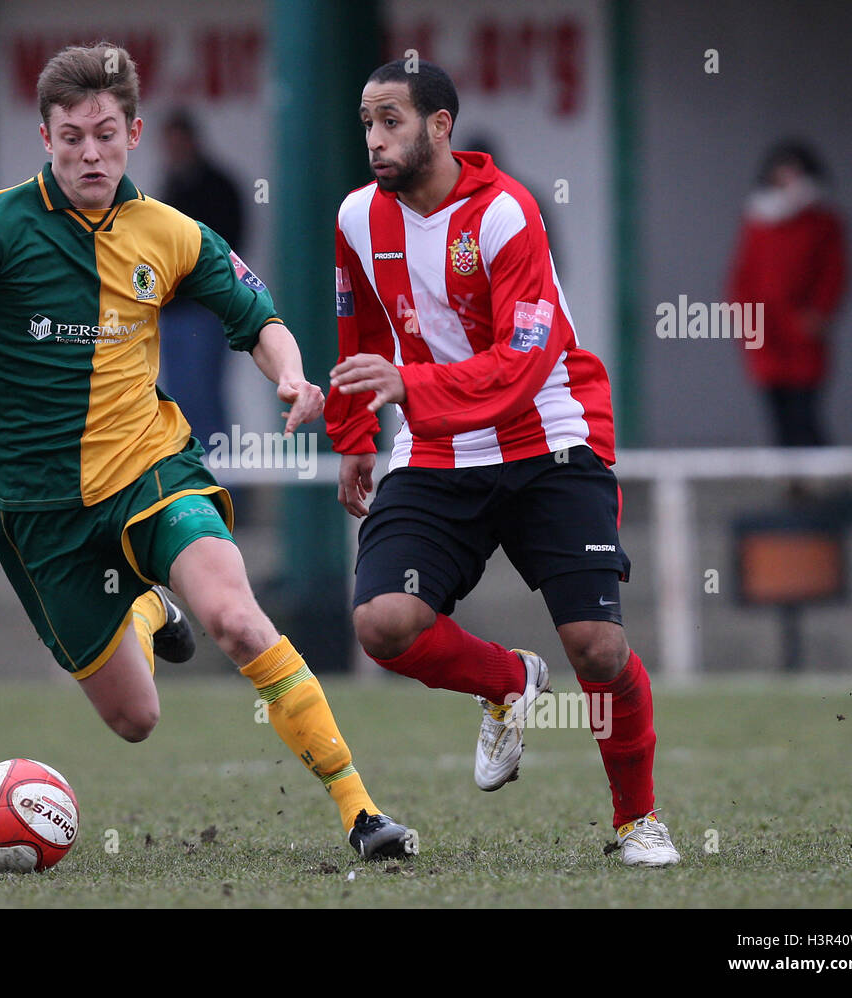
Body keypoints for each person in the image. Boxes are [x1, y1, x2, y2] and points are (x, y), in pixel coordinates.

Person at [0, 42, 408, 860]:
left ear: (133, 132)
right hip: (38, 510)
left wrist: (294, 376)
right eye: (71, 138)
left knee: (237, 619)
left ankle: (361, 812)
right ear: (45, 137)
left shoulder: (168, 233)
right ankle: (144, 603)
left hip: (151, 470)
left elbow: (257, 316)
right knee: (135, 721)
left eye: (105, 134)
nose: (89, 153)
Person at [325, 58, 679, 867]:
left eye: (391, 121)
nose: (374, 139)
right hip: (438, 449)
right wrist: (352, 433)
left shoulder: (508, 216)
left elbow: (521, 366)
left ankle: (637, 822)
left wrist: (407, 385)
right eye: (367, 123)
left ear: (439, 127)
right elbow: (360, 331)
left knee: (597, 649)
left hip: (547, 437)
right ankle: (507, 682)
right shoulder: (355, 217)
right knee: (384, 625)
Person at [726, 139, 848, 447]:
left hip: (802, 331)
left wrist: (818, 314)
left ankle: (820, 482)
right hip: (765, 332)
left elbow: (834, 272)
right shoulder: (757, 222)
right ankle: (793, 485)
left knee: (805, 411)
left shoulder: (822, 221)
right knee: (777, 412)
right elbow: (742, 276)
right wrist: (744, 320)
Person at [155, 109, 244, 444]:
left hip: (205, 311)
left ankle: (219, 481)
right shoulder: (171, 184)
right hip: (172, 313)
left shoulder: (218, 187)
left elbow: (227, 252)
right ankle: (191, 478)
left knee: (203, 395)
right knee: (178, 396)